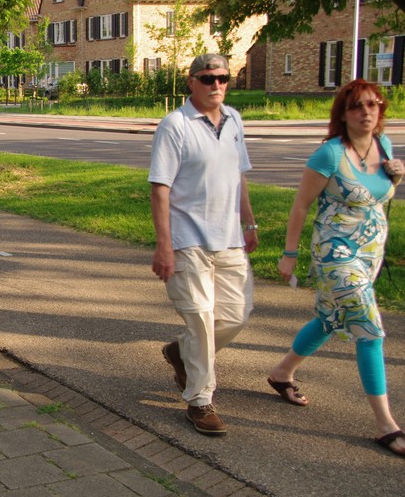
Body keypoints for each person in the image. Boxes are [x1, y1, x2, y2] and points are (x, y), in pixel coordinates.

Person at [268, 79, 405, 457]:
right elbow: (300, 206)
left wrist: (396, 176)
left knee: (330, 318)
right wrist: (290, 254)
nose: (366, 112)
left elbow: (378, 194)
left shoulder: (383, 145)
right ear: (343, 114)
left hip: (370, 252)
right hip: (335, 252)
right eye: (357, 106)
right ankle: (386, 425)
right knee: (369, 329)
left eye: (373, 105)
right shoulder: (329, 154)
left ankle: (282, 373)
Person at [149, 53, 258, 436]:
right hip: (187, 239)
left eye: (223, 78)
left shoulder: (234, 120)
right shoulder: (175, 125)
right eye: (209, 78)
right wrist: (164, 245)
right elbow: (160, 188)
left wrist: (249, 222)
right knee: (200, 319)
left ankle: (180, 352)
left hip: (228, 239)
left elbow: (239, 175)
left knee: (236, 315)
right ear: (191, 81)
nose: (217, 85)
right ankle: (200, 400)